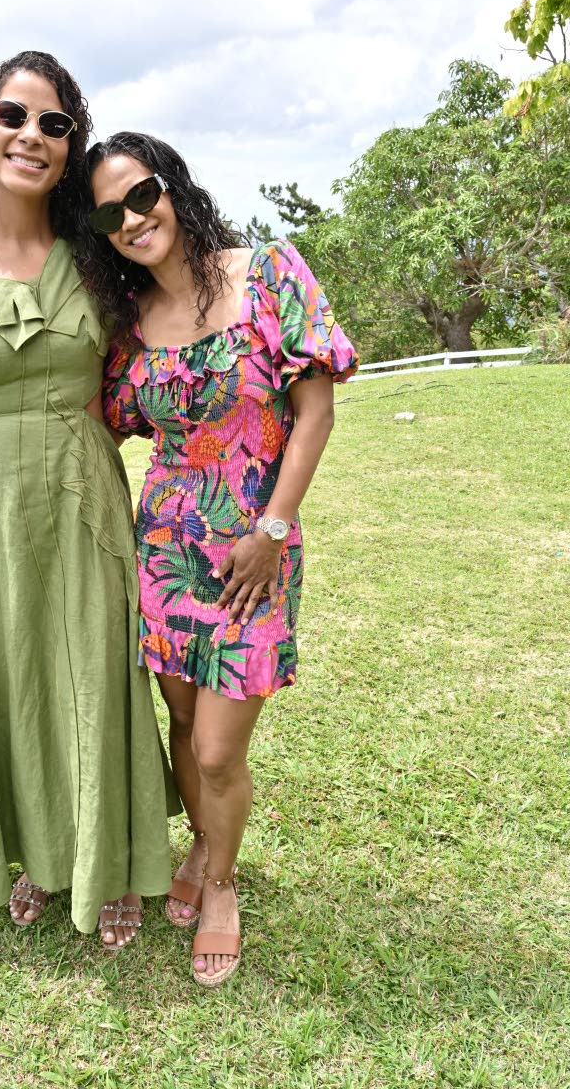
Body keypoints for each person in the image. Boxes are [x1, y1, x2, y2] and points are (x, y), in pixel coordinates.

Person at [0, 56, 178, 951]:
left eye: (55, 124)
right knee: (9, 673)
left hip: (85, 489)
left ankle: (117, 859)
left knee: (98, 670)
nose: (32, 134)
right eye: (14, 115)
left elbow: (169, 323)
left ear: (70, 148)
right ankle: (31, 856)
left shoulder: (97, 255)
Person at [75, 133, 358, 986]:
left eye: (142, 193)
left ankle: (224, 885)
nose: (131, 218)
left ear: (174, 187)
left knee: (217, 752)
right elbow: (87, 416)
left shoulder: (270, 273)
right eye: (107, 213)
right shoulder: (125, 327)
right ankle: (201, 844)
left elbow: (314, 415)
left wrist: (272, 531)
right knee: (184, 727)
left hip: (252, 559)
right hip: (163, 556)